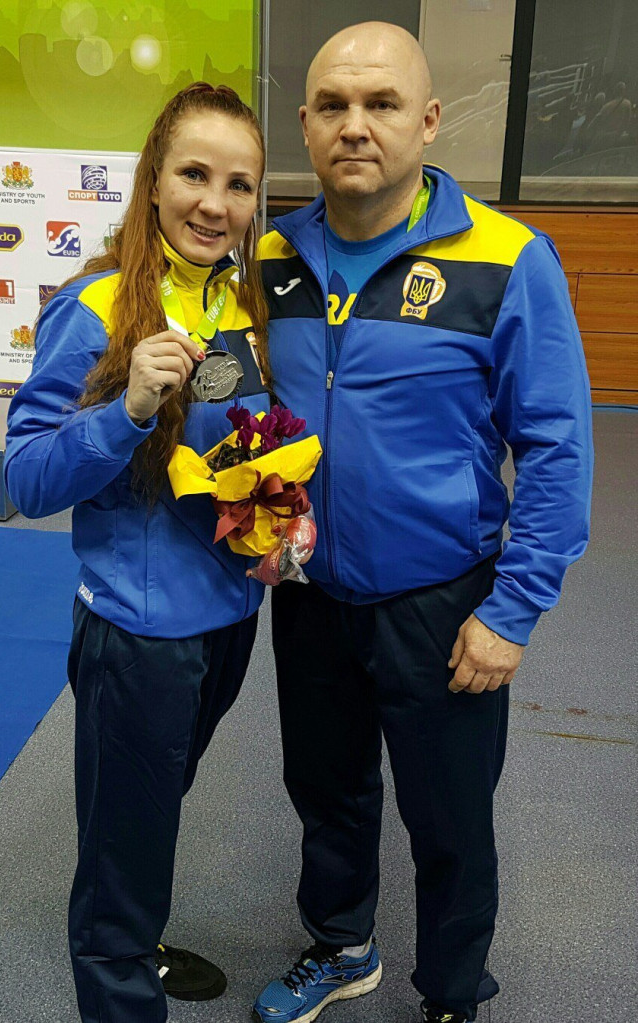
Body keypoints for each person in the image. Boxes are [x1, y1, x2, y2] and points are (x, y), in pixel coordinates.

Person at [253, 22, 593, 1023]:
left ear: (430, 119)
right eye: (333, 105)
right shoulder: (270, 255)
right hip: (309, 592)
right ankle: (341, 944)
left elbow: (558, 447)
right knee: (327, 792)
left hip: (443, 604)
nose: (355, 126)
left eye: (382, 104)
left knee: (449, 820)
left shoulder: (507, 257)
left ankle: (450, 993)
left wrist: (512, 612)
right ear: (306, 123)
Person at [5, 82, 270, 1023]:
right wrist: (126, 412)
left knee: (146, 821)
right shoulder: (96, 306)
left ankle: (138, 939)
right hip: (139, 641)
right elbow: (23, 478)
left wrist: (277, 512)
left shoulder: (238, 298)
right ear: (153, 180)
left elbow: (241, 447)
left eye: (239, 184)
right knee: (122, 858)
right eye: (194, 174)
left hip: (231, 621)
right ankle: (122, 967)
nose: (215, 203)